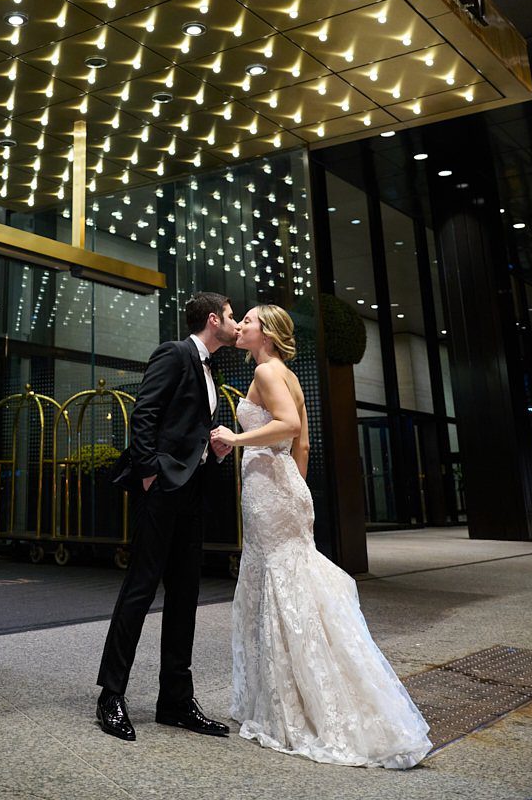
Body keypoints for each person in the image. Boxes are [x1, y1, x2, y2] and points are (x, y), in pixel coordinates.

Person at [209, 305, 432, 768]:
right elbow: (303, 445)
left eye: (248, 320)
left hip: (271, 490)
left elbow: (289, 427)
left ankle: (294, 704)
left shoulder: (268, 372)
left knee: (281, 587)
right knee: (295, 587)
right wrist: (296, 491)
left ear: (265, 333)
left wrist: (235, 438)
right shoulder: (285, 373)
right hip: (286, 487)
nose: (242, 326)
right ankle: (303, 692)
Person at [95, 292, 240, 741]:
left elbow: (188, 427)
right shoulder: (174, 353)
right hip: (160, 491)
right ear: (213, 320)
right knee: (140, 590)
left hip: (192, 491)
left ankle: (174, 701)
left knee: (184, 595)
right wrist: (148, 475)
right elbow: (145, 415)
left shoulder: (211, 367)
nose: (236, 325)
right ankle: (110, 696)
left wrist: (211, 448)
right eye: (232, 317)